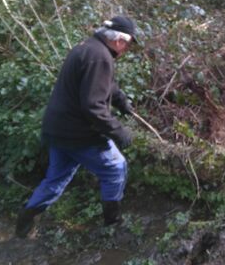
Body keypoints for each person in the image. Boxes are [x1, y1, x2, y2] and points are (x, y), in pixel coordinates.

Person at [15, 16, 138, 238]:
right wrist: (119, 132)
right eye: (128, 45)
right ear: (120, 40)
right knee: (115, 169)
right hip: (78, 134)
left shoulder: (88, 48)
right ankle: (113, 223)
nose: (127, 50)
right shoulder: (100, 58)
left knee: (56, 179)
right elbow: (93, 106)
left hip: (58, 130)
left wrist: (121, 100)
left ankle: (25, 222)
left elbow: (103, 83)